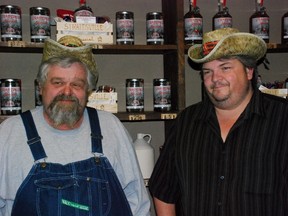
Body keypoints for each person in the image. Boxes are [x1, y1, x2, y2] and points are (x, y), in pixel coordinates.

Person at [0, 36, 150, 216]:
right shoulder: (10, 132)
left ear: (88, 90)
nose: (67, 91)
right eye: (58, 83)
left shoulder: (111, 127)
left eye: (76, 84)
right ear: (40, 87)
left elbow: (138, 204)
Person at [149, 28, 288, 216]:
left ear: (249, 71)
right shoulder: (186, 122)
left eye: (225, 68)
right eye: (207, 72)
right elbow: (163, 190)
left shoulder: (282, 118)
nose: (215, 79)